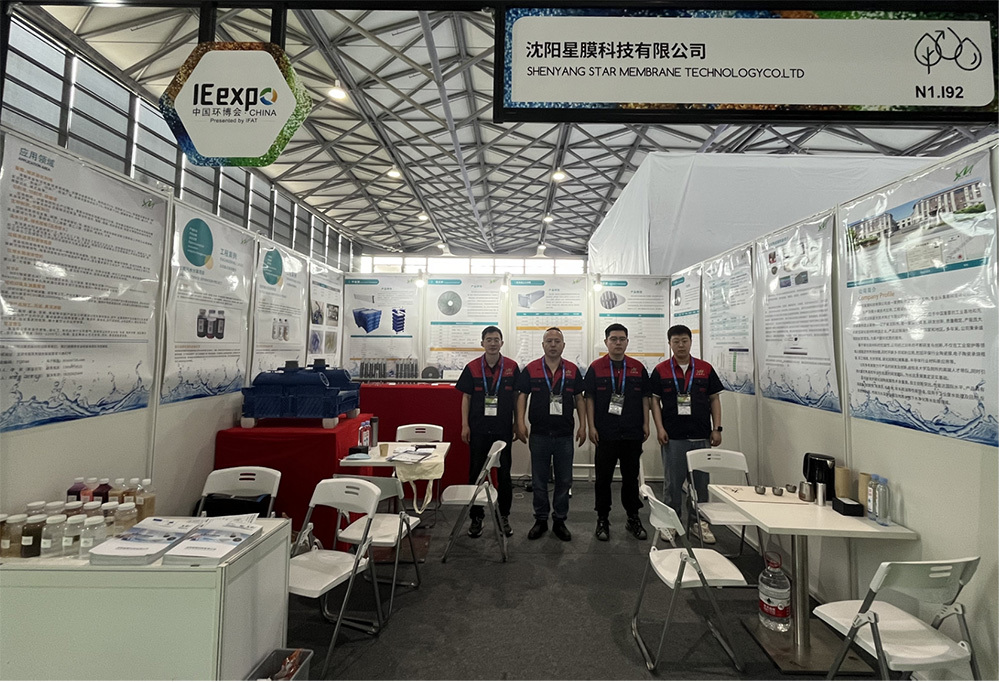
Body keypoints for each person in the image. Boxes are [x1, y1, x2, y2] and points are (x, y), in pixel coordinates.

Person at [649, 324, 724, 544]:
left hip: (701, 436)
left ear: (691, 342)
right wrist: (660, 428)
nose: (680, 345)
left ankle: (699, 523)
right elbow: (654, 402)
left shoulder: (705, 369)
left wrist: (717, 428)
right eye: (676, 341)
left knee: (701, 484)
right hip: (673, 437)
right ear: (669, 343)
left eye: (684, 341)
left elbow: (714, 399)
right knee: (672, 485)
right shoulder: (661, 370)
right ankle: (671, 523)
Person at [515, 328, 587, 541]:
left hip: (564, 435)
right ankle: (540, 519)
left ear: (563, 345)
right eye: (549, 341)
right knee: (539, 481)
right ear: (543, 345)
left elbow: (580, 399)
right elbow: (522, 396)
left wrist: (583, 425)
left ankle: (559, 520)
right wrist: (520, 422)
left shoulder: (572, 370)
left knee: (564, 481)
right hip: (539, 434)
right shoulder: (531, 369)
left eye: (557, 341)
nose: (553, 344)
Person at [584, 323, 651, 541]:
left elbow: (645, 398)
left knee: (631, 478)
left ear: (627, 342)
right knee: (603, 479)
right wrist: (592, 426)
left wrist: (646, 424)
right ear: (606, 342)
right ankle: (602, 519)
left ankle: (633, 517)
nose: (618, 343)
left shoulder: (638, 367)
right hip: (606, 432)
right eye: (613, 339)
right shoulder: (596, 367)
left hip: (632, 432)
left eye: (622, 339)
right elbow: (589, 398)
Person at [456, 326, 520, 538]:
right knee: (476, 474)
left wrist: (517, 423)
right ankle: (476, 517)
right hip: (479, 429)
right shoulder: (472, 367)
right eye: (489, 339)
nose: (493, 343)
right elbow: (466, 397)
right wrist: (465, 425)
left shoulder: (512, 367)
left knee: (504, 475)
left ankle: (504, 516)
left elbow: (516, 397)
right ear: (482, 343)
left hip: (502, 430)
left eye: (496, 339)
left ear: (502, 343)